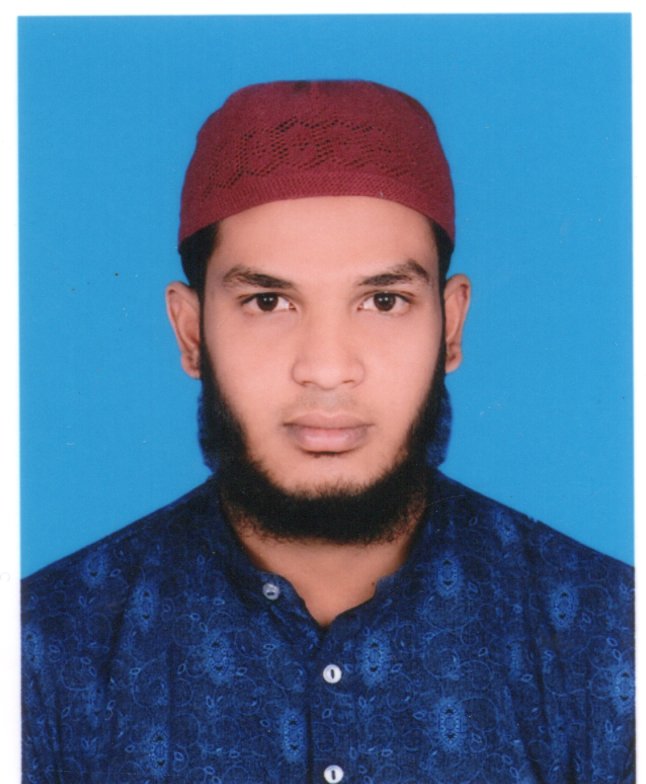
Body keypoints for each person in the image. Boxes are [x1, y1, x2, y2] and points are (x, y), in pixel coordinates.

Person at [22, 80, 634, 784]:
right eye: (268, 301)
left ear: (451, 325)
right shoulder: (44, 650)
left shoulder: (609, 639)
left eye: (383, 300)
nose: (326, 368)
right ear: (191, 333)